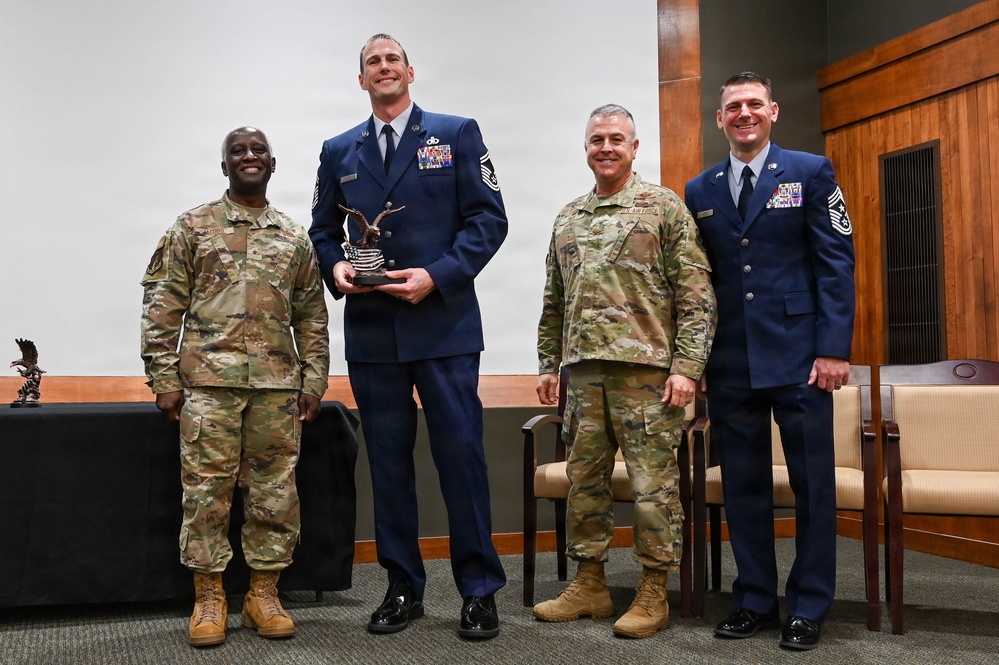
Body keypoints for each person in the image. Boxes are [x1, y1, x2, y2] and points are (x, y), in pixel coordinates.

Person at [308, 33, 507, 639]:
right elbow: (321, 230)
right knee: (389, 465)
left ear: (410, 71)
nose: (384, 67)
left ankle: (478, 590)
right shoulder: (339, 149)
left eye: (392, 59)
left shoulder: (456, 133)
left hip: (443, 326)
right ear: (361, 80)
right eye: (373, 62)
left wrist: (438, 275)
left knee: (461, 460)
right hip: (373, 333)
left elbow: (489, 218)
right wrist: (336, 270)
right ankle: (402, 587)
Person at [684, 72, 856, 651]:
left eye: (754, 104)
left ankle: (808, 606)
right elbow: (698, 283)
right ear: (720, 119)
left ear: (774, 111)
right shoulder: (699, 190)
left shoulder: (810, 171)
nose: (744, 113)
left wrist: (833, 347)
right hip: (732, 363)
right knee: (743, 487)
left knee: (813, 487)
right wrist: (699, 356)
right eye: (733, 106)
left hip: (804, 358)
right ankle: (754, 598)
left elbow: (836, 262)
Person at [140, 126, 330, 647]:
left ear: (273, 163)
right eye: (237, 152)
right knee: (207, 495)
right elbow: (163, 305)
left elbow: (313, 315)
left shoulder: (293, 236)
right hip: (208, 386)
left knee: (275, 494)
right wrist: (163, 377)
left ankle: (263, 594)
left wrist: (314, 379)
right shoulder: (192, 227)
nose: (249, 157)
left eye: (258, 150)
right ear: (224, 166)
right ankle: (210, 597)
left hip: (276, 389)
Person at [532, 104, 717, 639]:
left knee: (651, 485)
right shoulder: (569, 216)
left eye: (617, 138)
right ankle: (589, 584)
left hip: (648, 376)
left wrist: (687, 367)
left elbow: (696, 293)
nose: (606, 147)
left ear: (635, 148)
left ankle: (653, 589)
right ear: (585, 148)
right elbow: (555, 299)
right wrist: (549, 363)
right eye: (597, 140)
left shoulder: (663, 207)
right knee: (584, 482)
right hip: (583, 376)